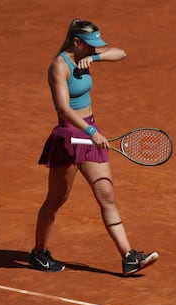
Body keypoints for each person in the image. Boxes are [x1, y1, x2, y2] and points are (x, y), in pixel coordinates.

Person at [29, 18, 158, 276]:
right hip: (70, 137)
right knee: (56, 199)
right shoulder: (58, 66)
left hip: (91, 131)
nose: (93, 49)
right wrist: (91, 132)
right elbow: (63, 109)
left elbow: (121, 53)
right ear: (76, 42)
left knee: (106, 195)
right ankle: (39, 252)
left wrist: (95, 58)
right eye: (90, 46)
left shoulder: (87, 54)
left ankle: (129, 257)